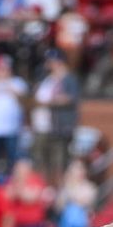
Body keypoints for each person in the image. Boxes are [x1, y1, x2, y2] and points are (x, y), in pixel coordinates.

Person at [31, 48, 81, 184]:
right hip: (43, 126)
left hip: (59, 127)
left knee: (58, 162)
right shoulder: (46, 78)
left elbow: (70, 98)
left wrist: (49, 102)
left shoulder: (68, 78)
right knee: (41, 160)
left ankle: (58, 192)